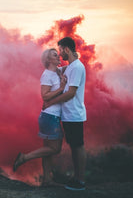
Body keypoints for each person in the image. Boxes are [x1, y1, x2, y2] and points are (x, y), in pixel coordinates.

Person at [13, 48, 66, 186]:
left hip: (49, 116)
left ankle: (47, 180)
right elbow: (45, 95)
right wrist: (61, 89)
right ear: (49, 60)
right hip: (50, 117)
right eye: (55, 55)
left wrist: (74, 59)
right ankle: (24, 158)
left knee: (47, 151)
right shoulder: (47, 75)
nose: (58, 56)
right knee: (55, 149)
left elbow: (70, 67)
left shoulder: (57, 72)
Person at [43, 37, 87, 191]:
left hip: (74, 114)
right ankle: (77, 178)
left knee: (78, 146)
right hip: (69, 115)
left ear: (67, 49)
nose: (60, 54)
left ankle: (80, 181)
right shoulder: (70, 67)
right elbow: (55, 70)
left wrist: (50, 102)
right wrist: (50, 63)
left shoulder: (76, 67)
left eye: (61, 50)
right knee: (74, 146)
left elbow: (71, 93)